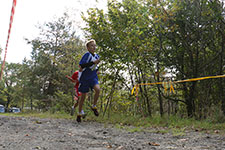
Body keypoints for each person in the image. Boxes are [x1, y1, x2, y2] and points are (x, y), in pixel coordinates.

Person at [77, 39, 100, 122]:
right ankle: (79, 112)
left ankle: (94, 106)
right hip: (85, 76)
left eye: (95, 45)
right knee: (83, 96)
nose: (94, 47)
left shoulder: (97, 56)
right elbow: (82, 65)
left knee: (98, 89)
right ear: (87, 47)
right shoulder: (87, 55)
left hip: (93, 76)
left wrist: (97, 70)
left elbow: (96, 66)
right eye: (92, 45)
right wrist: (93, 63)